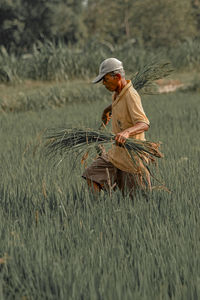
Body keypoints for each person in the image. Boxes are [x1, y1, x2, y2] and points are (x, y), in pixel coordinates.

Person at [82, 58, 151, 196]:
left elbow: (144, 123)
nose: (103, 83)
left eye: (105, 79)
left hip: (132, 160)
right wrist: (107, 110)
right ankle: (97, 211)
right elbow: (119, 103)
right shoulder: (118, 93)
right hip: (116, 155)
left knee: (136, 202)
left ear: (117, 77)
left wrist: (126, 133)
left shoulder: (131, 95)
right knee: (91, 175)